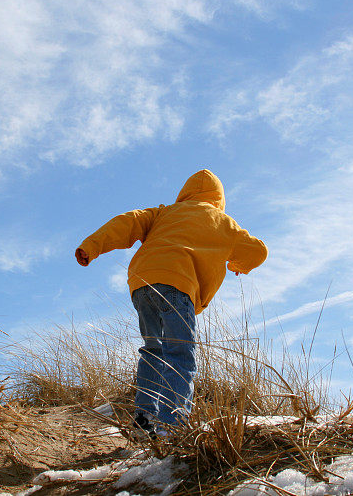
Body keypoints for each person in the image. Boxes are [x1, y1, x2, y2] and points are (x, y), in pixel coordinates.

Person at [75, 169, 267, 437]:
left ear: (186, 193)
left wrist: (92, 246)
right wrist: (237, 263)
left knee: (152, 349)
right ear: (218, 200)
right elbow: (258, 251)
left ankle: (144, 417)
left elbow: (127, 222)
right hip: (178, 286)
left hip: (142, 283)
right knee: (180, 355)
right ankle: (171, 426)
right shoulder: (223, 222)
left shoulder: (164, 213)